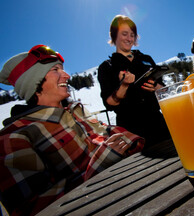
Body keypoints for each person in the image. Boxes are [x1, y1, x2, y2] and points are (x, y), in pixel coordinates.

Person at [0, 45, 145, 215]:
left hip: (131, 189)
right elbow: (31, 209)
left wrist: (122, 145)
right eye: (55, 70)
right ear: (32, 81)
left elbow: (115, 134)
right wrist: (101, 166)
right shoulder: (14, 136)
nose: (67, 75)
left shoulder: (75, 111)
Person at [98, 15, 171, 147]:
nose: (129, 38)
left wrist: (156, 86)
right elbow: (109, 103)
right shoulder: (107, 66)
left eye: (132, 35)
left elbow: (163, 89)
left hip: (158, 123)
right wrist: (124, 85)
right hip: (131, 130)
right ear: (114, 36)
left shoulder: (146, 59)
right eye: (124, 34)